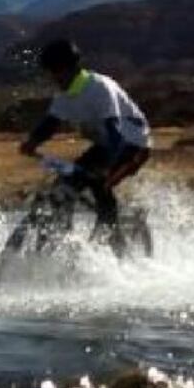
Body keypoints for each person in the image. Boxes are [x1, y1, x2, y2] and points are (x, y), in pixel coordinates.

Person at [20, 38, 151, 247]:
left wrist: (106, 168)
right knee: (63, 187)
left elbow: (115, 133)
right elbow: (51, 123)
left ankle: (112, 240)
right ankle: (61, 239)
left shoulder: (99, 88)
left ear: (70, 68)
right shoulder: (64, 95)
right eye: (50, 72)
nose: (53, 77)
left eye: (56, 71)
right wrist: (32, 142)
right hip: (105, 145)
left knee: (102, 184)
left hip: (131, 145)